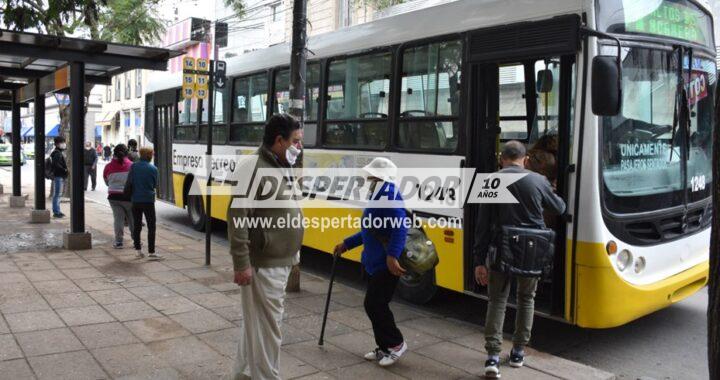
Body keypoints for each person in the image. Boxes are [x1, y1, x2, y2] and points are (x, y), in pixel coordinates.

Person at [473, 141, 566, 379]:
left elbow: (482, 226)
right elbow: (560, 208)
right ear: (524, 160)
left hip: (501, 249)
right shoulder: (538, 180)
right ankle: (518, 352)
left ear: (502, 159)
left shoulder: (491, 180)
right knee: (526, 299)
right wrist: (551, 190)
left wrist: (479, 261)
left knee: (497, 301)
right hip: (532, 250)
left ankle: (493, 356)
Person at [227, 113, 303, 380]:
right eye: (296, 141)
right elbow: (238, 219)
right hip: (263, 265)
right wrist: (241, 263)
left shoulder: (282, 166)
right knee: (269, 328)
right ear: (279, 140)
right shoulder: (252, 166)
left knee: (257, 324)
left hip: (279, 261)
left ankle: (243, 373)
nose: (299, 147)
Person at [334, 157, 409, 367]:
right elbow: (370, 229)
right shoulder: (379, 195)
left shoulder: (389, 195)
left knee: (374, 304)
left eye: (371, 176)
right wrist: (347, 244)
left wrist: (392, 256)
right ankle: (384, 347)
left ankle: (396, 344)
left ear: (380, 177)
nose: (368, 178)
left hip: (385, 264)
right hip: (374, 261)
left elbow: (400, 227)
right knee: (375, 304)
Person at [127, 147, 160, 260]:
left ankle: (138, 251)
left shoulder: (134, 167)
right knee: (151, 226)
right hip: (148, 200)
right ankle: (151, 252)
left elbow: (130, 182)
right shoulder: (153, 169)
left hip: (135, 200)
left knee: (137, 225)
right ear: (150, 156)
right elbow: (155, 184)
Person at [103, 144, 135, 249]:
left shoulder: (108, 167)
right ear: (126, 153)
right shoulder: (132, 166)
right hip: (129, 197)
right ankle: (136, 241)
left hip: (113, 197)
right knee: (133, 220)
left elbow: (107, 182)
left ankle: (119, 242)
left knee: (118, 220)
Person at [49, 136, 68, 218]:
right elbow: (56, 165)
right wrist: (64, 170)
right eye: (62, 142)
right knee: (57, 194)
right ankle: (56, 212)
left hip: (58, 176)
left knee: (57, 194)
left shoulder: (57, 152)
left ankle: (57, 211)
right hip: (58, 176)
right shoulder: (57, 153)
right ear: (57, 144)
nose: (64, 144)